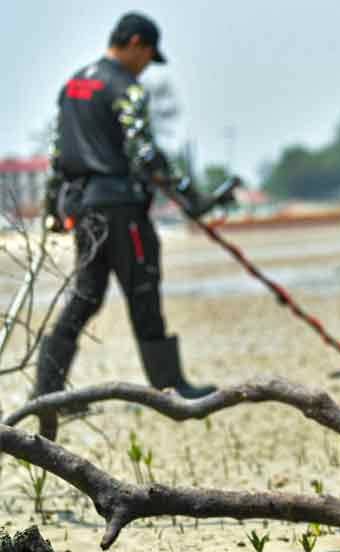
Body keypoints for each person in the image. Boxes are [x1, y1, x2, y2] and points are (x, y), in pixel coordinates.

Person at [36, 12, 215, 407]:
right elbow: (144, 152)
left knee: (85, 295)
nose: (147, 65)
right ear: (135, 43)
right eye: (149, 56)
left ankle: (47, 391)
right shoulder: (126, 88)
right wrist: (185, 194)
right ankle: (170, 388)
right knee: (143, 288)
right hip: (121, 209)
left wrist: (53, 209)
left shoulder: (73, 85)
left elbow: (57, 153)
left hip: (83, 207)